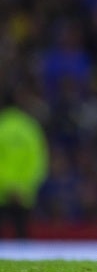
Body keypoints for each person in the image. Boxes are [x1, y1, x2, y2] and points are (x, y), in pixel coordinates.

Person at [0, 89, 49, 238]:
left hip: (2, 194)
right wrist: (23, 188)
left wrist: (6, 187)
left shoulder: (2, 126)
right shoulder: (30, 128)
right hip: (24, 197)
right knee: (21, 240)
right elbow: (39, 162)